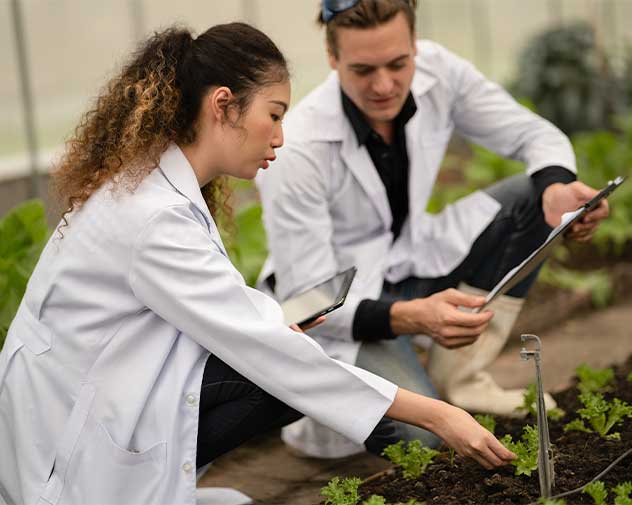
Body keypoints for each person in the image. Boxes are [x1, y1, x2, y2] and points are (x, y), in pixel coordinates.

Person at [0, 22, 515, 505]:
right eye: (274, 114)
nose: (280, 137)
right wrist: (439, 415)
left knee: (277, 363)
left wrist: (276, 326)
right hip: (67, 454)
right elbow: (265, 351)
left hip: (78, 407)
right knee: (279, 367)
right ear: (223, 106)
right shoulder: (153, 217)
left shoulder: (151, 183)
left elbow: (222, 320)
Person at [255, 0, 610, 458]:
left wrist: (558, 187)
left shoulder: (440, 72)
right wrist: (414, 316)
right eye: (363, 70)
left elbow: (533, 135)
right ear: (332, 57)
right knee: (424, 440)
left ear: (414, 47)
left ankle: (460, 382)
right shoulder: (298, 146)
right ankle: (364, 402)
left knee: (534, 197)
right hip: (338, 313)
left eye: (398, 64)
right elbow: (308, 298)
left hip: (412, 261)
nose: (384, 85)